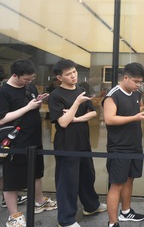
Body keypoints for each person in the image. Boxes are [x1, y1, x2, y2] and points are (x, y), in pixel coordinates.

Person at [48, 59, 106, 227]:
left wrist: (76, 118)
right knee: (67, 181)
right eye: (68, 74)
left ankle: (91, 206)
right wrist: (77, 103)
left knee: (87, 175)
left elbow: (92, 113)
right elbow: (63, 122)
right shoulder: (56, 95)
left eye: (74, 72)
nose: (73, 76)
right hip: (66, 144)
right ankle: (65, 220)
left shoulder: (81, 89)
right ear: (59, 77)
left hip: (83, 141)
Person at [0, 59, 57, 227]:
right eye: (26, 79)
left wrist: (37, 102)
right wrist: (28, 107)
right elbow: (2, 119)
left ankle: (39, 201)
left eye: (32, 78)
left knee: (36, 172)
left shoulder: (30, 88)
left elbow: (32, 107)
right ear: (15, 75)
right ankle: (14, 216)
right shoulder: (4, 92)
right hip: (15, 142)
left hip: (34, 138)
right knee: (12, 178)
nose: (29, 81)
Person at [103, 63, 144, 227]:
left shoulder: (136, 93)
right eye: (136, 81)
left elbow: (136, 109)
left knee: (130, 180)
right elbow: (109, 119)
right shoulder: (113, 95)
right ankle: (113, 222)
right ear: (126, 77)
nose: (138, 85)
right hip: (119, 147)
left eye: (140, 82)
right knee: (116, 184)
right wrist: (135, 118)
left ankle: (126, 212)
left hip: (135, 145)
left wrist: (142, 113)